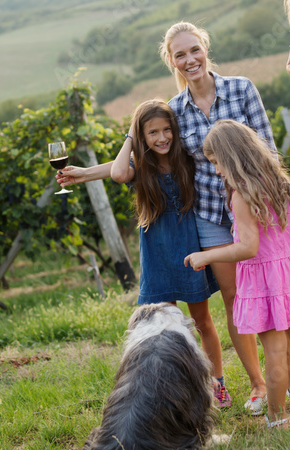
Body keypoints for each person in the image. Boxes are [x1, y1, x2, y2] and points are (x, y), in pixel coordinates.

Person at [161, 21, 290, 416]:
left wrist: (285, 203)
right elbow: (156, 155)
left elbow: (267, 150)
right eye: (180, 54)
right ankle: (260, 385)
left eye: (195, 49)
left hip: (256, 208)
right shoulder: (174, 111)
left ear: (205, 48)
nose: (189, 59)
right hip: (212, 213)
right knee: (237, 300)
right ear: (171, 61)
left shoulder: (241, 89)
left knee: (275, 296)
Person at [56, 99, 231, 407]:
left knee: (201, 321)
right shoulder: (142, 166)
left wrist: (85, 172)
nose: (161, 138)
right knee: (161, 325)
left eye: (167, 130)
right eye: (152, 133)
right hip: (156, 251)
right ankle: (174, 389)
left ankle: (216, 383)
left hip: (189, 246)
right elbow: (119, 172)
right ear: (141, 137)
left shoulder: (185, 159)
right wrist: (130, 137)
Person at [184, 120, 290, 427]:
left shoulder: (241, 195)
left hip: (263, 280)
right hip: (289, 270)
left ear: (230, 158)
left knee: (273, 349)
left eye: (217, 163)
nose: (217, 171)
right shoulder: (278, 180)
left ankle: (275, 418)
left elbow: (247, 247)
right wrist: (284, 251)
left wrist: (206, 256)